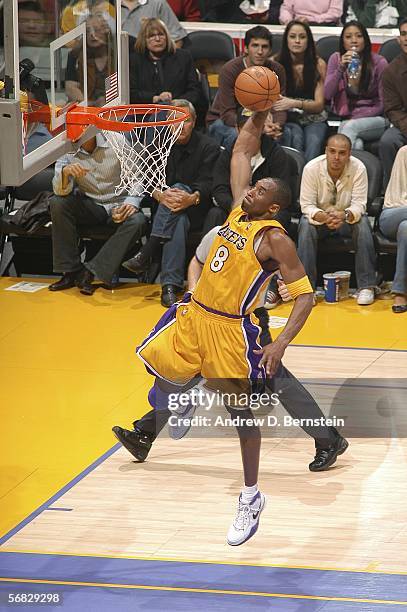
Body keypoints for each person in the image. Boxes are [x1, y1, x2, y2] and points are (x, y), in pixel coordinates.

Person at [115, 108, 332, 547]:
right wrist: (259, 111)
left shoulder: (274, 238)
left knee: (245, 412)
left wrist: (281, 344)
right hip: (196, 317)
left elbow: (306, 295)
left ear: (273, 205)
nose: (251, 188)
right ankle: (169, 411)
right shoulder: (236, 213)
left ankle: (251, 495)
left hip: (234, 331)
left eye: (261, 188)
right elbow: (241, 150)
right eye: (253, 184)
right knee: (162, 368)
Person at [113, 227, 348, 473]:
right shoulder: (222, 231)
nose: (249, 197)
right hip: (207, 319)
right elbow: (197, 261)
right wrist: (193, 292)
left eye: (257, 193)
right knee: (191, 372)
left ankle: (328, 440)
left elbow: (299, 290)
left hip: (243, 324)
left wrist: (283, 291)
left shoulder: (271, 241)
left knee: (276, 380)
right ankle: (145, 434)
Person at [122, 100, 220, 307]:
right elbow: (149, 180)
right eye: (174, 120)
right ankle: (169, 286)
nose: (180, 125)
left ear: (193, 122)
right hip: (168, 211)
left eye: (185, 121)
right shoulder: (157, 144)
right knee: (178, 220)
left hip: (197, 209)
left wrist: (190, 198)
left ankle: (153, 256)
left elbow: (209, 183)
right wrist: (161, 196)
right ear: (167, 123)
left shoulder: (208, 146)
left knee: (180, 189)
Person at [48, 133, 146, 294]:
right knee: (57, 203)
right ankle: (70, 271)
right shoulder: (67, 147)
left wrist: (131, 203)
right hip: (92, 205)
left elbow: (137, 177)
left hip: (119, 203)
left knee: (139, 221)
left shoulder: (116, 140)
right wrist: (64, 173)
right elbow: (60, 191)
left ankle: (91, 272)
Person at [297, 133, 377, 306]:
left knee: (362, 222)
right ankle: (306, 290)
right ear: (325, 151)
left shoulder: (359, 168)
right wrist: (323, 217)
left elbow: (359, 205)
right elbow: (307, 206)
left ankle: (366, 286)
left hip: (346, 220)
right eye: (332, 151)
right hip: (321, 221)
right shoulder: (311, 168)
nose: (336, 157)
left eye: (342, 153)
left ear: (349, 154)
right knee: (305, 225)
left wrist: (344, 215)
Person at [206, 25, 287, 150]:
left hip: (262, 120)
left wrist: (276, 125)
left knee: (285, 135)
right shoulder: (230, 70)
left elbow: (280, 107)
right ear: (246, 48)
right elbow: (228, 114)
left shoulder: (277, 70)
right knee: (238, 136)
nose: (260, 51)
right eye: (255, 46)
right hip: (222, 120)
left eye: (264, 47)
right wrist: (258, 125)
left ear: (270, 50)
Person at [324, 21, 389, 150]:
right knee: (356, 143)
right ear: (342, 42)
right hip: (348, 118)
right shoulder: (336, 59)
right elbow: (327, 94)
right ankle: (360, 169)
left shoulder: (379, 63)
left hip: (377, 119)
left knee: (348, 128)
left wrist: (356, 117)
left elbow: (384, 103)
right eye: (348, 37)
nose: (354, 40)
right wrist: (340, 68)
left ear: (365, 39)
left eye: (359, 36)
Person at [272, 20, 328, 162]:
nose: (297, 41)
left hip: (315, 118)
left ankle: (308, 181)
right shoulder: (275, 63)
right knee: (295, 138)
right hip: (287, 118)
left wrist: (293, 103)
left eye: (302, 37)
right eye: (292, 37)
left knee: (314, 141)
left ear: (308, 40)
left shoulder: (319, 64)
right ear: (286, 40)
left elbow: (319, 105)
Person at [129, 18, 200, 107]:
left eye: (161, 34)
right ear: (144, 40)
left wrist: (177, 102)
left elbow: (194, 91)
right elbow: (132, 93)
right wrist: (155, 98)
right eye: (151, 36)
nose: (157, 39)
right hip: (146, 112)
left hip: (179, 111)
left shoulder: (183, 57)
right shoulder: (134, 60)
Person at [379, 18, 407, 189]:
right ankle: (392, 191)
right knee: (388, 141)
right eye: (404, 34)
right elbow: (393, 109)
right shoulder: (391, 71)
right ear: (399, 39)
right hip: (404, 123)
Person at [379, 145, 407, 313]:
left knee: (406, 228)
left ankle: (400, 291)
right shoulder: (404, 152)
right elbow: (397, 198)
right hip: (393, 213)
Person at [65, 13, 115, 106]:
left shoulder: (117, 56)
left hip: (112, 107)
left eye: (97, 30)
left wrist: (106, 102)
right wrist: (86, 105)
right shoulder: (75, 55)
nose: (92, 35)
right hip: (84, 106)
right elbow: (71, 87)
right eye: (88, 31)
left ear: (107, 32)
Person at [121, 0, 188, 47]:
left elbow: (177, 40)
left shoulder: (158, 3)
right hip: (117, 61)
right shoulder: (111, 5)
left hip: (150, 61)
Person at [279, 0, 343, 25]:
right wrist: (288, 21)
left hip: (324, 25)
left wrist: (310, 19)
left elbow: (335, 13)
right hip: (297, 25)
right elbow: (286, 9)